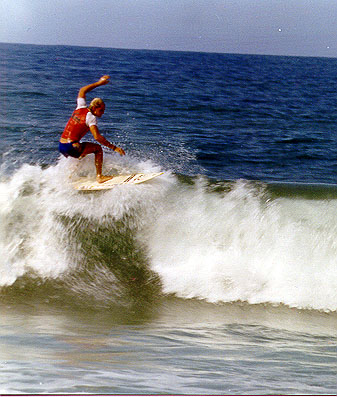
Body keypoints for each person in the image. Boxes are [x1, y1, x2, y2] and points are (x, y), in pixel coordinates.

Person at [59, 75, 125, 183]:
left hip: (62, 146)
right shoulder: (91, 117)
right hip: (72, 146)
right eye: (101, 110)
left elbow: (82, 90)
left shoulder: (80, 107)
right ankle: (99, 176)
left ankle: (70, 176)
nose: (103, 113)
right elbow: (97, 137)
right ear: (94, 107)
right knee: (97, 149)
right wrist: (114, 148)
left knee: (83, 153)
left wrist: (99, 83)